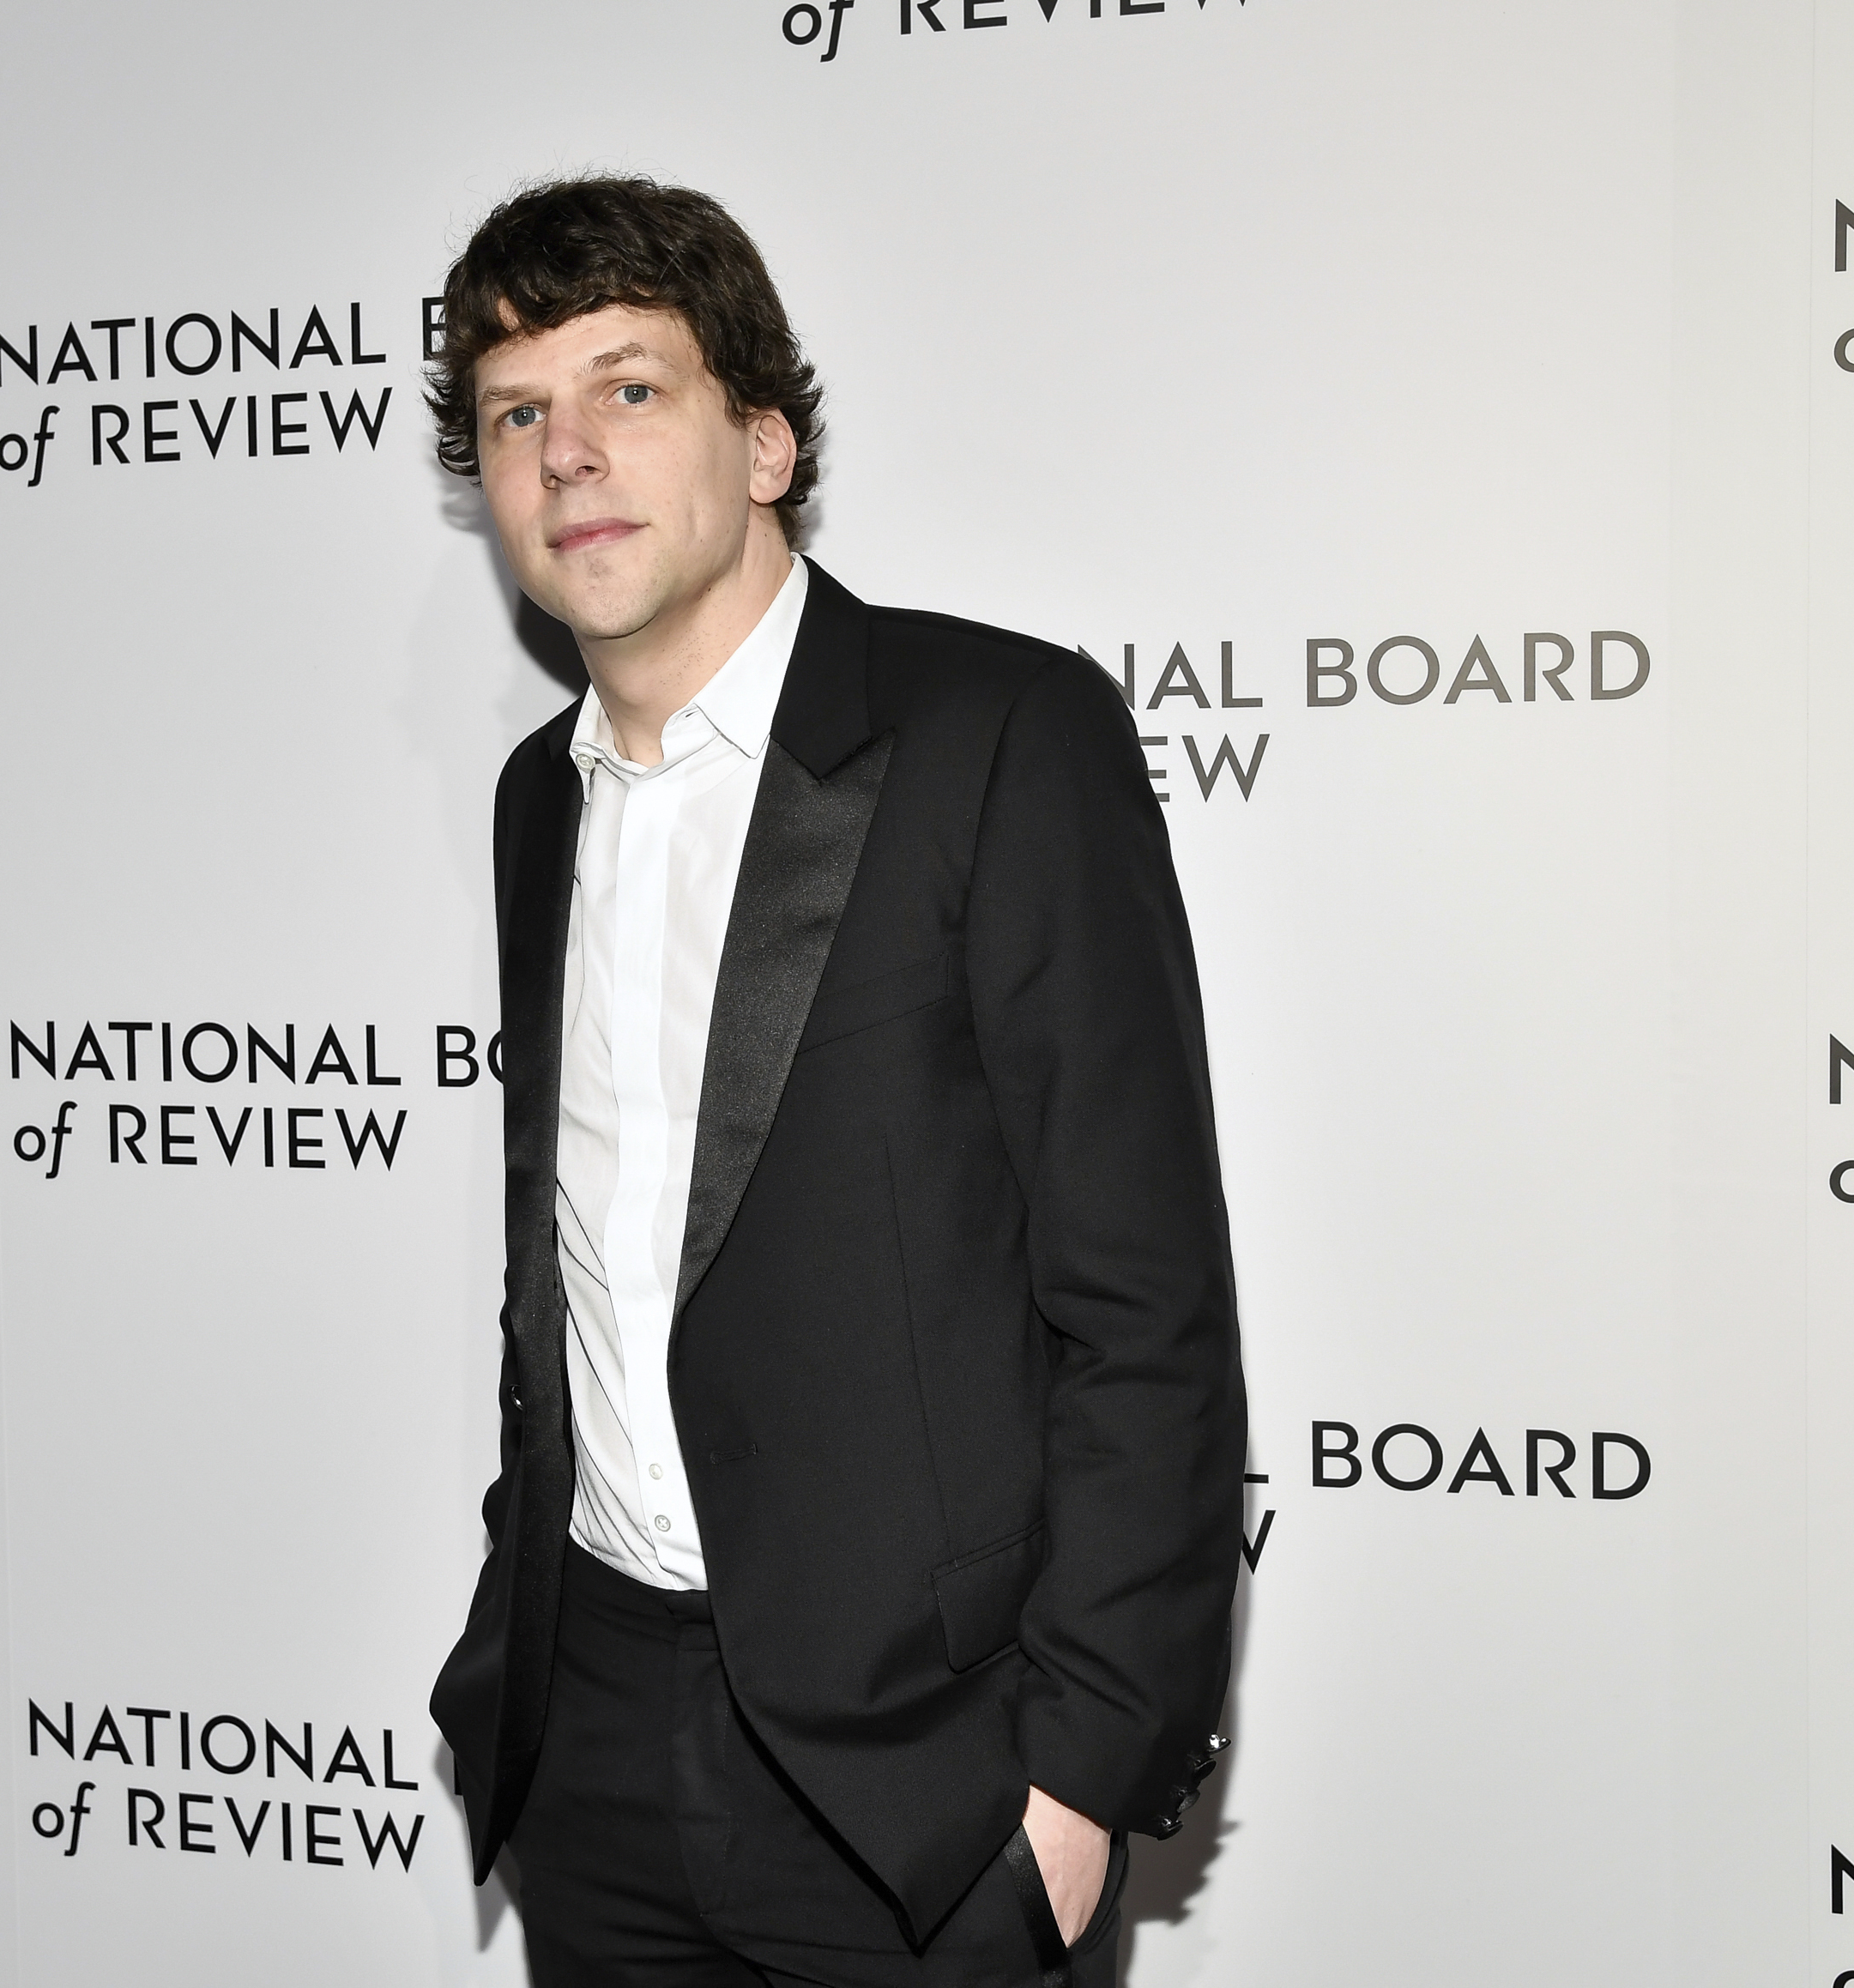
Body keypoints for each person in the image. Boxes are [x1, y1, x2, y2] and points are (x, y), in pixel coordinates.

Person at [425, 176, 1246, 1988]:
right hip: (598, 1746)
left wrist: (1072, 1786)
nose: (567, 452)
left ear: (767, 440)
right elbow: (580, 1253)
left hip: (923, 1787)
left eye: (628, 389)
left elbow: (1143, 1304)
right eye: (514, 413)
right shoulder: (532, 806)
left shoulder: (998, 740)